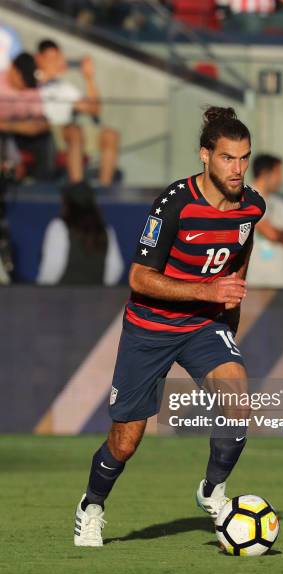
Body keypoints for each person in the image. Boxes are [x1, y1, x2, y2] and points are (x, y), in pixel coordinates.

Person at [73, 106, 266, 546]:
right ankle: (91, 506)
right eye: (227, 158)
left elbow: (241, 252)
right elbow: (140, 278)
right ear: (204, 155)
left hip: (204, 326)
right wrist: (208, 291)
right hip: (151, 328)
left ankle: (212, 490)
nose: (237, 170)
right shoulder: (175, 202)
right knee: (125, 441)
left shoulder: (251, 206)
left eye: (244, 158)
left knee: (238, 404)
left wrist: (228, 310)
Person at [35, 39, 119, 186]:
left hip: (68, 130)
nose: (55, 63)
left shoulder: (64, 87)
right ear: (39, 58)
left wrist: (89, 78)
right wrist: (48, 74)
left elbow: (94, 109)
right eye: (50, 59)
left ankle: (105, 189)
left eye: (57, 59)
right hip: (45, 130)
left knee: (110, 135)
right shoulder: (30, 79)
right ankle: (77, 187)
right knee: (75, 132)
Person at [37, 181, 124, 285]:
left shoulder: (59, 227)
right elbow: (114, 270)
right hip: (96, 298)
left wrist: (41, 294)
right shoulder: (106, 230)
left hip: (61, 298)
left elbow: (51, 269)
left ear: (67, 203)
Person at [246, 154, 283, 288]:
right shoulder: (245, 197)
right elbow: (270, 233)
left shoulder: (280, 204)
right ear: (266, 174)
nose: (281, 179)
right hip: (254, 283)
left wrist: (277, 233)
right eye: (278, 173)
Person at [0, 52, 54, 180]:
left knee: (45, 139)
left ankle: (43, 183)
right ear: (13, 70)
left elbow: (42, 120)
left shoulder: (32, 87)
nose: (25, 85)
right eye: (22, 79)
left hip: (23, 133)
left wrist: (36, 127)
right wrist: (13, 126)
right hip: (4, 133)